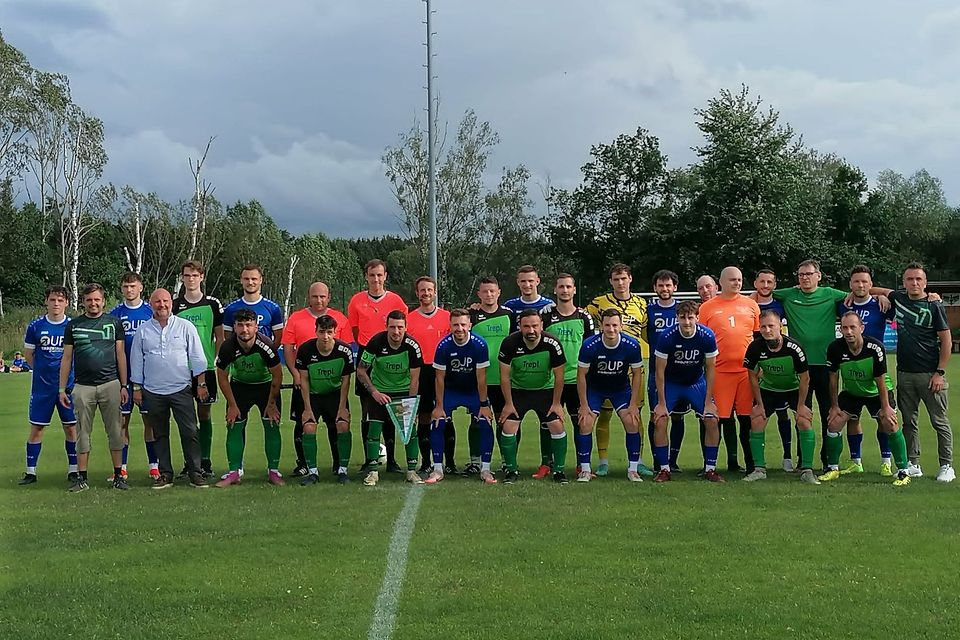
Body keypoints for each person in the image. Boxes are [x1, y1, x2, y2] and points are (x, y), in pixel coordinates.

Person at [873, 262, 954, 482]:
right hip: (905, 373)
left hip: (931, 373)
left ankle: (946, 466)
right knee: (909, 421)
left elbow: (946, 341)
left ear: (925, 283)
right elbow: (872, 288)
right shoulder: (899, 298)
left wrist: (940, 372)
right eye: (910, 279)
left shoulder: (934, 305)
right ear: (904, 282)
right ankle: (913, 463)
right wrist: (881, 296)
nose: (914, 283)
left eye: (918, 279)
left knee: (939, 422)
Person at [772, 259, 852, 470]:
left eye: (809, 274)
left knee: (829, 413)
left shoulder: (830, 294)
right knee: (802, 414)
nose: (805, 278)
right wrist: (753, 296)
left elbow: (861, 290)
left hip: (826, 366)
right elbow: (765, 290)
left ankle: (828, 461)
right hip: (801, 367)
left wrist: (884, 295)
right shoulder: (789, 294)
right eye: (801, 275)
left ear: (819, 276)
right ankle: (803, 461)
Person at [130, 289, 209, 490]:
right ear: (151, 304)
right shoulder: (143, 330)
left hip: (181, 389)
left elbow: (198, 357)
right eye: (157, 302)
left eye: (165, 301)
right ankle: (165, 474)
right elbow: (137, 360)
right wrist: (137, 388)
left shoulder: (185, 326)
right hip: (153, 391)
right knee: (159, 434)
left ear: (171, 304)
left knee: (190, 431)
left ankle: (195, 473)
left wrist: (200, 384)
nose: (161, 305)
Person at [820, 312, 911, 486]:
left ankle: (903, 471)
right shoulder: (835, 348)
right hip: (852, 392)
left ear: (861, 328)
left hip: (877, 392)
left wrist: (886, 407)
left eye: (852, 327)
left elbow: (880, 380)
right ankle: (832, 468)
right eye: (844, 328)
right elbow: (833, 379)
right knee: (834, 422)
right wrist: (834, 405)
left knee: (889, 422)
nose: (848, 331)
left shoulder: (874, 348)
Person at [59, 283, 129, 492]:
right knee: (82, 432)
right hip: (83, 387)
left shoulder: (114, 323)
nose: (93, 303)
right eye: (89, 300)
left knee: (116, 431)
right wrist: (62, 389)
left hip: (110, 384)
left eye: (97, 299)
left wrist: (124, 385)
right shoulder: (73, 325)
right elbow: (67, 358)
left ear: (103, 301)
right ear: (83, 302)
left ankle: (119, 475)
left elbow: (120, 355)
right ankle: (82, 478)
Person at [586, 263, 651, 477]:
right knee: (603, 415)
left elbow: (646, 334)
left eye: (623, 278)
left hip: (634, 365)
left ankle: (638, 461)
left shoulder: (642, 304)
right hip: (606, 365)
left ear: (630, 279)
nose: (620, 283)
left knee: (634, 414)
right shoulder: (599, 303)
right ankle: (603, 461)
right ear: (611, 281)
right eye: (616, 279)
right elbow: (582, 319)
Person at [741, 309, 820, 484]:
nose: (767, 330)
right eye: (763, 327)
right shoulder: (755, 347)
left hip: (794, 389)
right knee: (757, 419)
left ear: (781, 327)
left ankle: (807, 470)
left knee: (804, 420)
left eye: (771, 326)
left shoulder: (794, 348)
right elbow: (752, 376)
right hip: (769, 389)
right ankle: (759, 469)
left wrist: (801, 406)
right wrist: (759, 404)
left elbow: (805, 378)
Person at [282, 281, 351, 477]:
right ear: (309, 297)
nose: (319, 300)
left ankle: (339, 464)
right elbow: (288, 347)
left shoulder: (340, 319)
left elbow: (344, 352)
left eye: (322, 296)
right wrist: (295, 374)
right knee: (303, 423)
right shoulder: (296, 318)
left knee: (335, 424)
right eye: (315, 296)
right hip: (304, 381)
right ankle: (304, 464)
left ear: (328, 298)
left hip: (331, 385)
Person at [651, 300, 724, 483]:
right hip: (672, 383)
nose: (687, 322)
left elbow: (711, 370)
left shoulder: (706, 335)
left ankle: (710, 468)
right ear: (677, 318)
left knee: (712, 420)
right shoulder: (667, 336)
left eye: (690, 317)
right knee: (660, 420)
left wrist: (708, 402)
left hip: (696, 382)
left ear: (697, 318)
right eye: (682, 318)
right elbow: (659, 371)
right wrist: (661, 403)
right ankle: (664, 469)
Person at [697, 266, 760, 474]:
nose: (737, 283)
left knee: (746, 420)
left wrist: (759, 367)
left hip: (745, 373)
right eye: (732, 279)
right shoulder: (707, 308)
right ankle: (710, 466)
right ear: (721, 283)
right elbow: (701, 341)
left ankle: (752, 465)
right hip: (719, 373)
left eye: (740, 279)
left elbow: (758, 339)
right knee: (716, 420)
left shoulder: (751, 305)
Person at [348, 259, 408, 474]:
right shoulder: (356, 301)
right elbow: (355, 331)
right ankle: (369, 459)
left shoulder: (396, 301)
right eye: (372, 275)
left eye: (380, 275)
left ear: (386, 276)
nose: (376, 279)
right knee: (368, 411)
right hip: (367, 355)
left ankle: (392, 460)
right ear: (366, 276)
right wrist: (370, 347)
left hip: (390, 357)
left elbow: (402, 329)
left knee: (392, 409)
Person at [214, 309, 284, 487]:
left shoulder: (266, 346)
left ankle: (273, 472)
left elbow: (277, 375)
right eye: (240, 325)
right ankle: (234, 472)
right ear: (235, 327)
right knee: (234, 425)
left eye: (249, 325)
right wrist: (231, 405)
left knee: (271, 424)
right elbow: (222, 376)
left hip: (266, 388)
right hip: (240, 387)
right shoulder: (228, 347)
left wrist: (272, 404)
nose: (245, 329)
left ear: (256, 327)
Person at [498, 309, 568, 484]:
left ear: (541, 325)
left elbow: (560, 376)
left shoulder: (552, 343)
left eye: (535, 326)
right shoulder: (509, 343)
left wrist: (557, 403)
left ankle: (559, 471)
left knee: (557, 426)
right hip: (519, 391)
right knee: (508, 427)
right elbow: (504, 377)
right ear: (520, 326)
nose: (531, 330)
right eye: (526, 326)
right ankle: (511, 470)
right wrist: (508, 404)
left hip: (545, 391)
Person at [18, 286, 78, 486]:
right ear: (46, 301)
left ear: (67, 303)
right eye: (53, 300)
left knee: (70, 428)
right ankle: (31, 472)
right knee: (37, 428)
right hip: (42, 388)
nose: (56, 304)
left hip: (67, 387)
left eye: (60, 300)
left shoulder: (72, 326)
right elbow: (29, 356)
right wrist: (43, 372)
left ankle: (73, 470)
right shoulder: (35, 326)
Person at [575, 309, 644, 482]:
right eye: (607, 325)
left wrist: (634, 404)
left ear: (621, 326)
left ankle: (633, 469)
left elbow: (637, 374)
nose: (611, 329)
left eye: (614, 325)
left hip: (620, 389)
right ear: (601, 326)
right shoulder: (590, 345)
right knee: (585, 422)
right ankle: (585, 469)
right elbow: (581, 375)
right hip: (595, 389)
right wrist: (583, 405)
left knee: (632, 421)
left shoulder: (632, 344)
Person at [427, 309, 496, 485]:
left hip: (472, 390)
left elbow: (481, 378)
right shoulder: (443, 346)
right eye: (456, 325)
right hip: (451, 390)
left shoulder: (479, 345)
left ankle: (486, 469)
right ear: (450, 326)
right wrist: (439, 406)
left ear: (470, 326)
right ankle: (437, 469)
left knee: (485, 420)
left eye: (463, 324)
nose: (459, 328)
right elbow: (439, 378)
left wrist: (484, 404)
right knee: (438, 421)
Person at [356, 310, 424, 486]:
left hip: (403, 394)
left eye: (400, 327)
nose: (396, 331)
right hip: (380, 393)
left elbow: (415, 378)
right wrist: (374, 393)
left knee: (411, 433)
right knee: (373, 433)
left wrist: (411, 404)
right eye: (392, 327)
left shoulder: (413, 347)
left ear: (406, 328)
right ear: (386, 327)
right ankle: (372, 472)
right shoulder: (375, 343)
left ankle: (411, 471)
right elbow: (361, 370)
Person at [538, 274, 595, 478]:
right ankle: (547, 463)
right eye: (561, 287)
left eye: (568, 286)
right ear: (555, 290)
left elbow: (590, 347)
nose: (564, 290)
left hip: (576, 379)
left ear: (574, 290)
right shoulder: (545, 315)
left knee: (580, 421)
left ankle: (582, 464)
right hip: (551, 379)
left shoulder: (584, 316)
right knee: (548, 422)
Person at [837, 265, 892, 475]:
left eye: (865, 282)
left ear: (871, 284)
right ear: (850, 285)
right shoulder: (843, 305)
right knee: (852, 417)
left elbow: (902, 295)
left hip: (876, 368)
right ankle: (855, 461)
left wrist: (882, 293)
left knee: (883, 418)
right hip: (851, 369)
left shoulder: (883, 305)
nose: (860, 285)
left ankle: (886, 462)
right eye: (856, 282)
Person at [172, 260, 225, 478]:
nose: (191, 279)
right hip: (181, 370)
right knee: (186, 418)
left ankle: (205, 461)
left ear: (202, 277)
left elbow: (220, 335)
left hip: (206, 367)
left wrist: (218, 359)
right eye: (187, 275)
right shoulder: (175, 305)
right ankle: (189, 462)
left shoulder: (213, 304)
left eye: (194, 275)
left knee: (204, 414)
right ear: (182, 278)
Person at [295, 314, 354, 485]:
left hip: (335, 395)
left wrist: (342, 406)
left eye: (329, 332)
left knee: (343, 425)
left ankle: (342, 470)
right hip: (313, 395)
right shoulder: (306, 350)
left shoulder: (344, 351)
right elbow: (304, 380)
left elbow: (346, 380)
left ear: (335, 332)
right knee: (309, 427)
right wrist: (307, 407)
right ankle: (313, 472)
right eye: (322, 332)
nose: (325, 336)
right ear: (316, 332)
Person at [109, 272, 156, 481]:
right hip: (122, 379)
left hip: (148, 378)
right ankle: (122, 468)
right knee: (122, 423)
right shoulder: (115, 314)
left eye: (133, 286)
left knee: (151, 422)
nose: (129, 290)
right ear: (122, 289)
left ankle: (154, 466)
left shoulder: (150, 311)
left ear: (141, 288)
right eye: (126, 286)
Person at [405, 276, 452, 474]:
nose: (426, 293)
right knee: (423, 416)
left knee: (446, 415)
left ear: (434, 292)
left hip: (442, 369)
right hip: (421, 370)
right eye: (422, 290)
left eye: (429, 290)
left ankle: (449, 463)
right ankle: (425, 461)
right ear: (417, 293)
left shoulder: (447, 316)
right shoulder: (409, 318)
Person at [469, 277, 515, 474]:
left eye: (492, 291)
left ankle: (507, 460)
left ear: (499, 292)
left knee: (505, 420)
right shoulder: (472, 314)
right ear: (478, 294)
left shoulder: (509, 315)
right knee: (478, 420)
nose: (488, 295)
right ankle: (475, 461)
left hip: (504, 378)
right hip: (480, 379)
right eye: (484, 291)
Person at [753, 268, 796, 471]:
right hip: (757, 364)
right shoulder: (749, 304)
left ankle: (788, 457)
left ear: (775, 285)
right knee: (756, 415)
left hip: (779, 364)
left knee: (784, 415)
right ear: (755, 283)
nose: (765, 286)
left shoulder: (780, 303)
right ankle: (754, 463)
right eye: (762, 282)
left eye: (770, 282)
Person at [645, 269, 686, 471]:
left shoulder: (682, 311)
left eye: (668, 285)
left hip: (680, 374)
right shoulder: (649, 311)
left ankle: (673, 460)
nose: (664, 289)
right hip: (656, 373)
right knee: (657, 416)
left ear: (675, 287)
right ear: (655, 288)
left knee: (678, 416)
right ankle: (657, 460)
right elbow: (646, 336)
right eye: (661, 285)